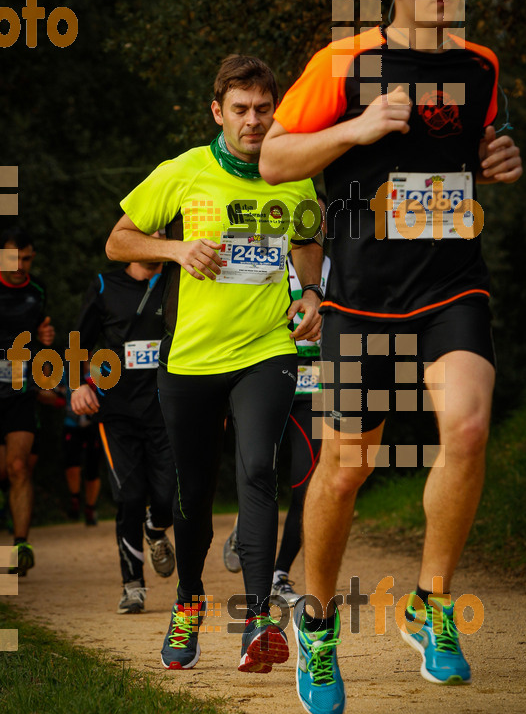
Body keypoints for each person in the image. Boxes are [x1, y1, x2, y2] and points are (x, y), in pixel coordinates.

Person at [259, 0, 522, 714]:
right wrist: (357, 128)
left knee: (467, 428)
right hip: (361, 297)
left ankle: (430, 603)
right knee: (345, 470)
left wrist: (498, 160)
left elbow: (481, 149)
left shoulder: (481, 66)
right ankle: (314, 625)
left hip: (451, 283)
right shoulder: (342, 64)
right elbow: (273, 158)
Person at [105, 55, 323, 673]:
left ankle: (258, 620)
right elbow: (118, 239)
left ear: (274, 109)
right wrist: (175, 248)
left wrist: (311, 295)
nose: (253, 121)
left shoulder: (294, 174)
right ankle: (189, 600)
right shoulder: (185, 172)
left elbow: (309, 241)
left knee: (258, 469)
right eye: (240, 109)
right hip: (192, 357)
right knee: (192, 495)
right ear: (218, 111)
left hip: (266, 349)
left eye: (263, 108)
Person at [223, 197, 331, 609]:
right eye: (307, 217)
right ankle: (248, 526)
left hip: (315, 386)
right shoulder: (259, 259)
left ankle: (279, 572)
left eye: (320, 219)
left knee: (308, 484)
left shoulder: (338, 269)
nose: (314, 225)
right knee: (260, 476)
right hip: (264, 380)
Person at [71, 258, 176, 613]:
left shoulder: (176, 281)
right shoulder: (104, 285)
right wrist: (75, 387)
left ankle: (155, 526)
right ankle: (132, 585)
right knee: (130, 497)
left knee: (169, 498)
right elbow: (78, 340)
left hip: (166, 409)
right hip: (116, 412)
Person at [0, 227, 55, 576]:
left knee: (19, 467)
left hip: (19, 389)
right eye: (14, 257)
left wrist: (45, 340)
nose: (21, 264)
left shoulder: (37, 291)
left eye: (27, 258)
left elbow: (42, 335)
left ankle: (21, 546)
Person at [61, 369, 102, 525]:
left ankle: (90, 508)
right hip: (72, 424)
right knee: (72, 464)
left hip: (93, 425)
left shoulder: (99, 369)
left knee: (93, 469)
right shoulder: (66, 371)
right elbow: (55, 392)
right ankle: (75, 499)